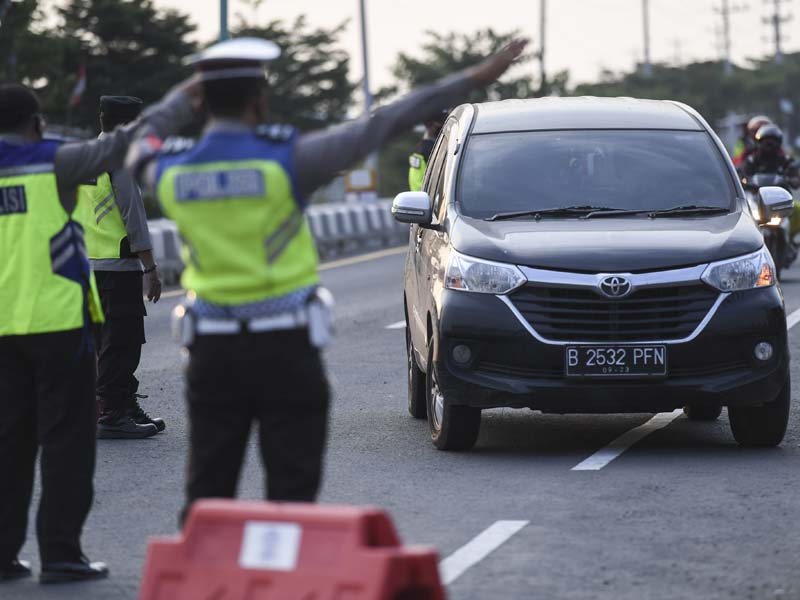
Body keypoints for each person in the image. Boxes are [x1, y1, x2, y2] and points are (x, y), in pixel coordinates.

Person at [125, 36, 528, 522]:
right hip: (285, 350)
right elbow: (383, 124)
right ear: (260, 99)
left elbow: (137, 144)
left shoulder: (173, 171)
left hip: (212, 354)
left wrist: (179, 100)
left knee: (208, 487)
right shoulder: (288, 161)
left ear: (203, 101)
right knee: (291, 490)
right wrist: (473, 79)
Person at [0, 81, 195, 584]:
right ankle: (61, 555)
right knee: (66, 441)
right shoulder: (60, 160)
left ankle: (3, 554)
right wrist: (189, 92)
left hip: (5, 325)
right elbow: (129, 149)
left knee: (11, 443)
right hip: (57, 320)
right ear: (36, 123)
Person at [77, 96, 165, 439]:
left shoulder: (86, 156)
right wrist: (150, 267)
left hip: (89, 263)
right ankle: (114, 411)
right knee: (124, 340)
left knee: (103, 340)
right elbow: (133, 215)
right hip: (118, 262)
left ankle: (122, 403)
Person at [408, 108, 449, 191]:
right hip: (431, 201)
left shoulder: (449, 143)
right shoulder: (423, 151)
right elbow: (417, 185)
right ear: (429, 125)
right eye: (441, 123)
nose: (444, 127)